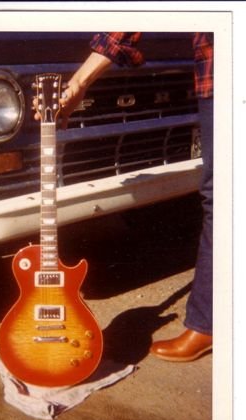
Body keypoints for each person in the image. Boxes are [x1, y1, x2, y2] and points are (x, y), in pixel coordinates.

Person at [35, 32, 213, 362]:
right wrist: (79, 84)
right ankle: (209, 323)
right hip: (219, 73)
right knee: (222, 197)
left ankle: (209, 321)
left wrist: (80, 82)